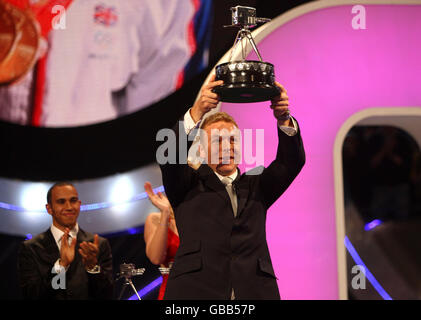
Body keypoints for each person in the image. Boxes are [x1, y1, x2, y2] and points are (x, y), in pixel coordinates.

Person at [159, 75, 306, 299]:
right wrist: (195, 113)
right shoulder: (186, 184)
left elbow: (291, 161)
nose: (226, 147)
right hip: (196, 293)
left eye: (232, 140)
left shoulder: (258, 185)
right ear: (200, 150)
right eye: (217, 140)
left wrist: (284, 119)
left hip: (254, 292)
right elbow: (170, 158)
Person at [17, 182, 114, 299]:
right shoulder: (31, 248)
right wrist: (61, 266)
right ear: (49, 208)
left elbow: (107, 295)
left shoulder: (97, 245)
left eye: (73, 201)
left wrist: (92, 268)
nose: (69, 207)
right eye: (61, 202)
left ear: (79, 204)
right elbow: (32, 295)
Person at [143, 182, 179, 300]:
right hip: (174, 293)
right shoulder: (156, 218)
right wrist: (165, 213)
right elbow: (156, 258)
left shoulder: (203, 216)